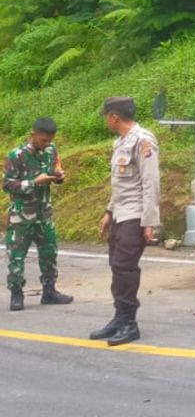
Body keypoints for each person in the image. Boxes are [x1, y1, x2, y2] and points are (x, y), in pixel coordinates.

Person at [90, 97, 160, 346]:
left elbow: (150, 183)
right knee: (116, 267)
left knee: (125, 268)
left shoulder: (143, 140)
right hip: (120, 214)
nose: (106, 120)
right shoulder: (120, 142)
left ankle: (130, 324)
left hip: (135, 216)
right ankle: (119, 318)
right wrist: (108, 212)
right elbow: (120, 184)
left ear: (114, 117)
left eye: (106, 116)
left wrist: (149, 222)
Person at [4, 117, 74, 312]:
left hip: (44, 212)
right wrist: (34, 183)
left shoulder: (51, 151)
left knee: (49, 252)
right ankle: (16, 293)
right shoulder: (16, 155)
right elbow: (8, 184)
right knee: (17, 255)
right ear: (33, 135)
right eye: (43, 140)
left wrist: (58, 176)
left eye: (50, 140)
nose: (47, 144)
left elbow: (53, 171)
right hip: (22, 215)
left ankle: (49, 290)